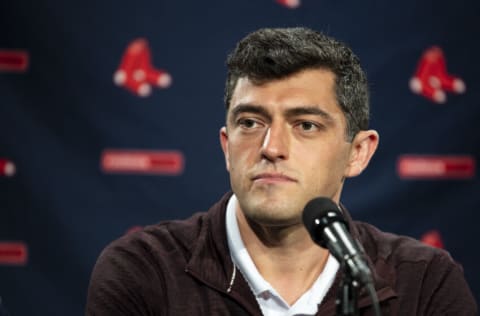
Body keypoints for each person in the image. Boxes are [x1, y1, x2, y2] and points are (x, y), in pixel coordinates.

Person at [86, 27, 477, 315]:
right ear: (227, 146)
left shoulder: (424, 283)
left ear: (357, 153)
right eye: (251, 123)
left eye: (305, 125)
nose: (271, 148)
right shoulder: (145, 272)